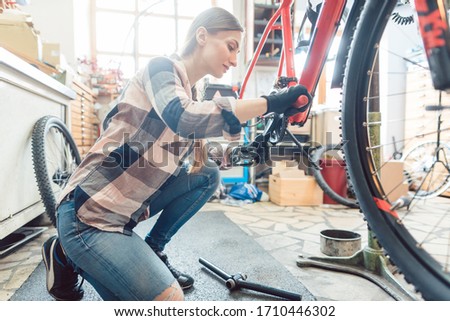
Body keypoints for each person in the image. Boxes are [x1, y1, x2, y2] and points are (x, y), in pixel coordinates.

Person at [41, 7, 310, 301]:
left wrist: (258, 142)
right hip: (89, 215)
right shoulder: (161, 69)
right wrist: (271, 102)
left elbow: (200, 156)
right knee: (170, 302)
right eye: (231, 47)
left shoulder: (191, 95)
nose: (234, 60)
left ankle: (144, 249)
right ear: (202, 36)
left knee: (207, 173)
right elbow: (182, 117)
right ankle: (69, 251)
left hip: (123, 216)